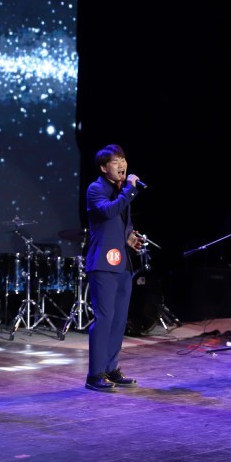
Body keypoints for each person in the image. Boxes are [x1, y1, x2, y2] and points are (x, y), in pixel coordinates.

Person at [84, 144, 145, 392]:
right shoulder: (96, 189)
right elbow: (108, 212)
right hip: (102, 263)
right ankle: (94, 374)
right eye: (115, 161)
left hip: (123, 263)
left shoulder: (122, 191)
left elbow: (123, 223)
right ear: (103, 167)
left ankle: (111, 368)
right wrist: (130, 190)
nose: (122, 165)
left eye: (123, 160)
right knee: (105, 318)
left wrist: (130, 236)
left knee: (119, 319)